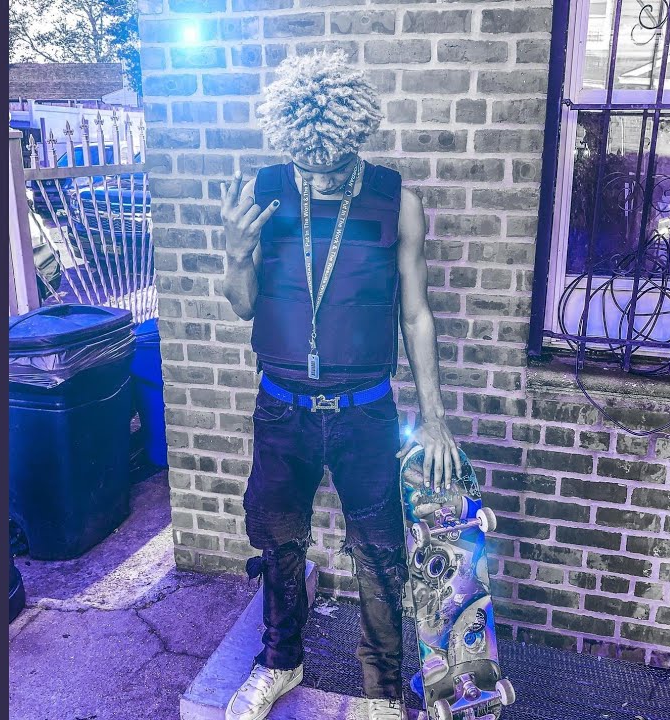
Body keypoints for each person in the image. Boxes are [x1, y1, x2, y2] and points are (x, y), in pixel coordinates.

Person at [217, 49, 460, 720]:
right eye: (307, 167)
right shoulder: (263, 193)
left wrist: (434, 417)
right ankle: (280, 661)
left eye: (332, 167)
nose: (319, 179)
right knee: (278, 541)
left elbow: (416, 313)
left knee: (380, 554)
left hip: (366, 410)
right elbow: (243, 304)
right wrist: (234, 255)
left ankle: (381, 691)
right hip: (281, 407)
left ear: (355, 137)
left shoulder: (395, 200)